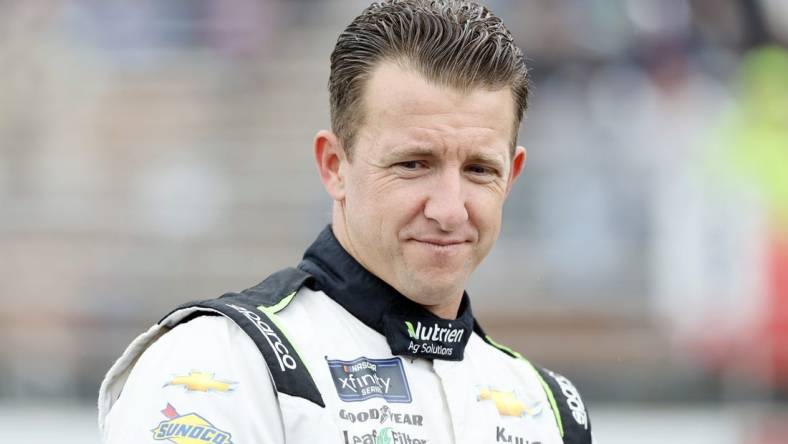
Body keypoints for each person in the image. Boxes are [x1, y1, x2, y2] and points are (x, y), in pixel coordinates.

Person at [98, 1, 594, 443]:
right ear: (334, 166)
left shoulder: (546, 408)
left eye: (479, 170)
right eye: (413, 164)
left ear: (512, 178)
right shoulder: (222, 362)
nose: (449, 209)